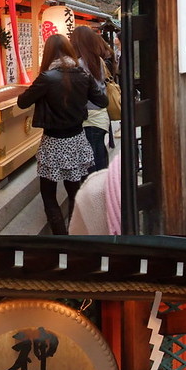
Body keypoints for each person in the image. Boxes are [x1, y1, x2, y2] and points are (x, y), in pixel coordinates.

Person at [17, 33, 107, 234]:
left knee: (48, 194)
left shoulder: (46, 78)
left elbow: (22, 102)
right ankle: (76, 232)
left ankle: (60, 237)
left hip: (53, 142)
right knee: (74, 190)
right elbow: (103, 101)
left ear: (48, 53)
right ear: (69, 50)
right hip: (76, 139)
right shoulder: (83, 75)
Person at [71, 25, 117, 171]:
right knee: (99, 152)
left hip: (89, 116)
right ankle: (104, 184)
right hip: (101, 115)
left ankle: (96, 189)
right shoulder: (97, 60)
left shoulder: (79, 64)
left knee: (92, 159)